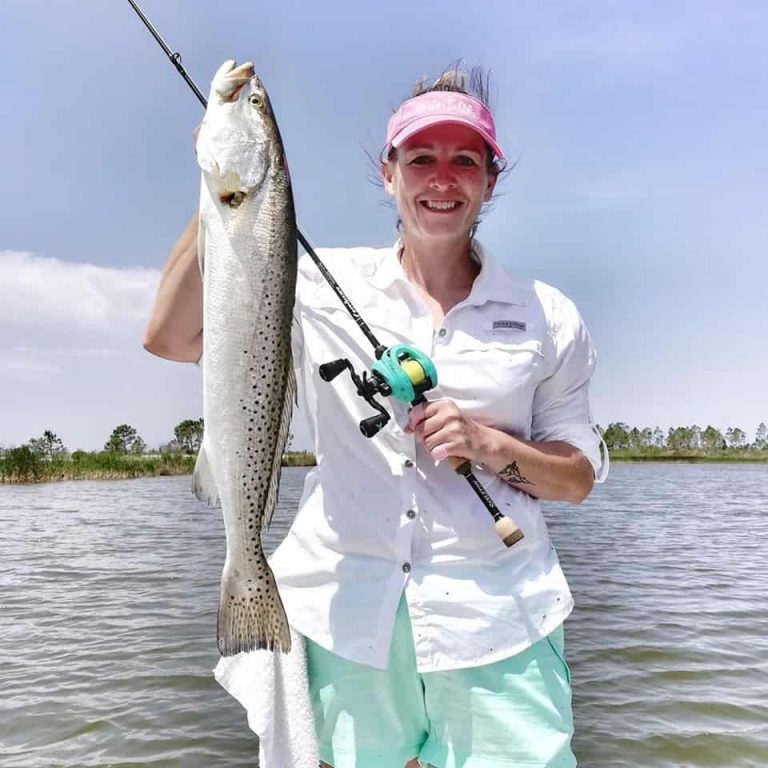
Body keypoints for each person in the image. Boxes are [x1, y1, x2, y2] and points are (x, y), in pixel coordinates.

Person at [144, 67, 608, 768]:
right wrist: (226, 180)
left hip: (501, 620)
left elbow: (576, 478)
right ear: (389, 174)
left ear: (489, 178)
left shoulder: (548, 315)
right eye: (421, 158)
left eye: (464, 160)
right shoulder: (314, 282)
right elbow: (171, 339)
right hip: (346, 616)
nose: (442, 179)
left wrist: (487, 443)